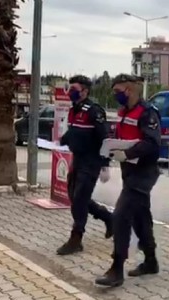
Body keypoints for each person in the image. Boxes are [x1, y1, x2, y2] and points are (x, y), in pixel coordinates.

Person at [95, 74, 161, 288]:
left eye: (118, 92)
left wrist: (130, 153)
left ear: (130, 91)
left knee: (121, 216)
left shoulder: (148, 113)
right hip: (129, 172)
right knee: (141, 217)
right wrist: (110, 154)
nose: (115, 96)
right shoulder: (124, 113)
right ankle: (151, 261)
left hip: (144, 173)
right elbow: (119, 139)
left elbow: (152, 143)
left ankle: (117, 268)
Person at [57, 75, 113, 256]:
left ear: (85, 91)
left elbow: (105, 138)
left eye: (74, 89)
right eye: (69, 88)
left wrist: (105, 165)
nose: (70, 92)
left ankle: (76, 238)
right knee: (75, 198)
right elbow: (73, 132)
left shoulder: (94, 111)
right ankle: (107, 217)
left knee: (80, 199)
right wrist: (62, 141)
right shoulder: (74, 110)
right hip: (77, 160)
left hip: (91, 162)